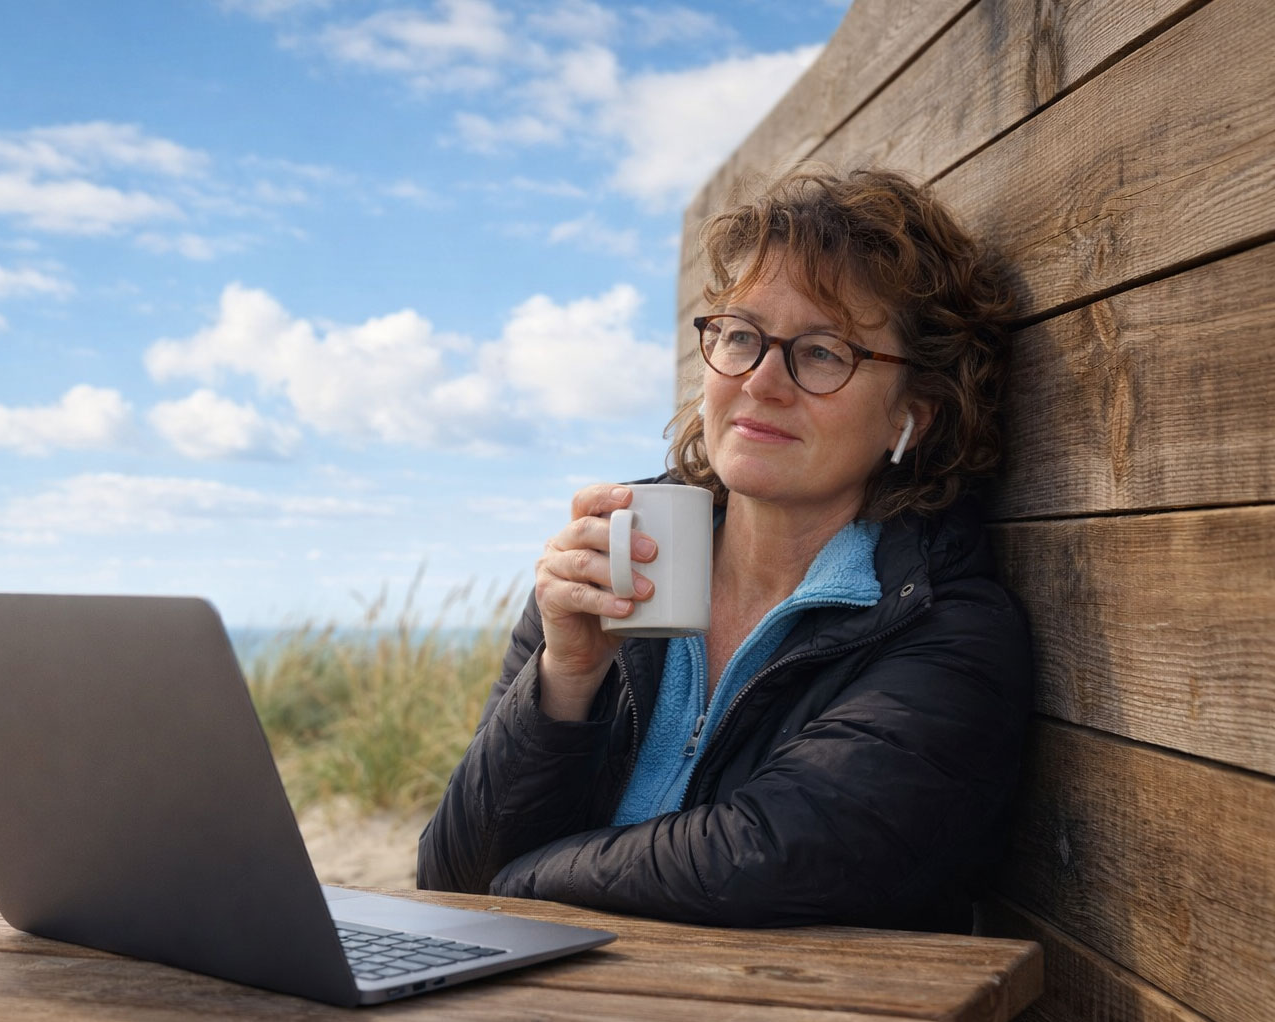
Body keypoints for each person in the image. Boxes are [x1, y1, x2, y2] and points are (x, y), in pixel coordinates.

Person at [415, 167, 1033, 933]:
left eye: (821, 352)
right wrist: (565, 680)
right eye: (741, 336)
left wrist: (513, 886)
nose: (762, 381)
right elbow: (446, 876)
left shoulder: (945, 626)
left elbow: (772, 853)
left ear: (913, 415)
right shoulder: (618, 559)